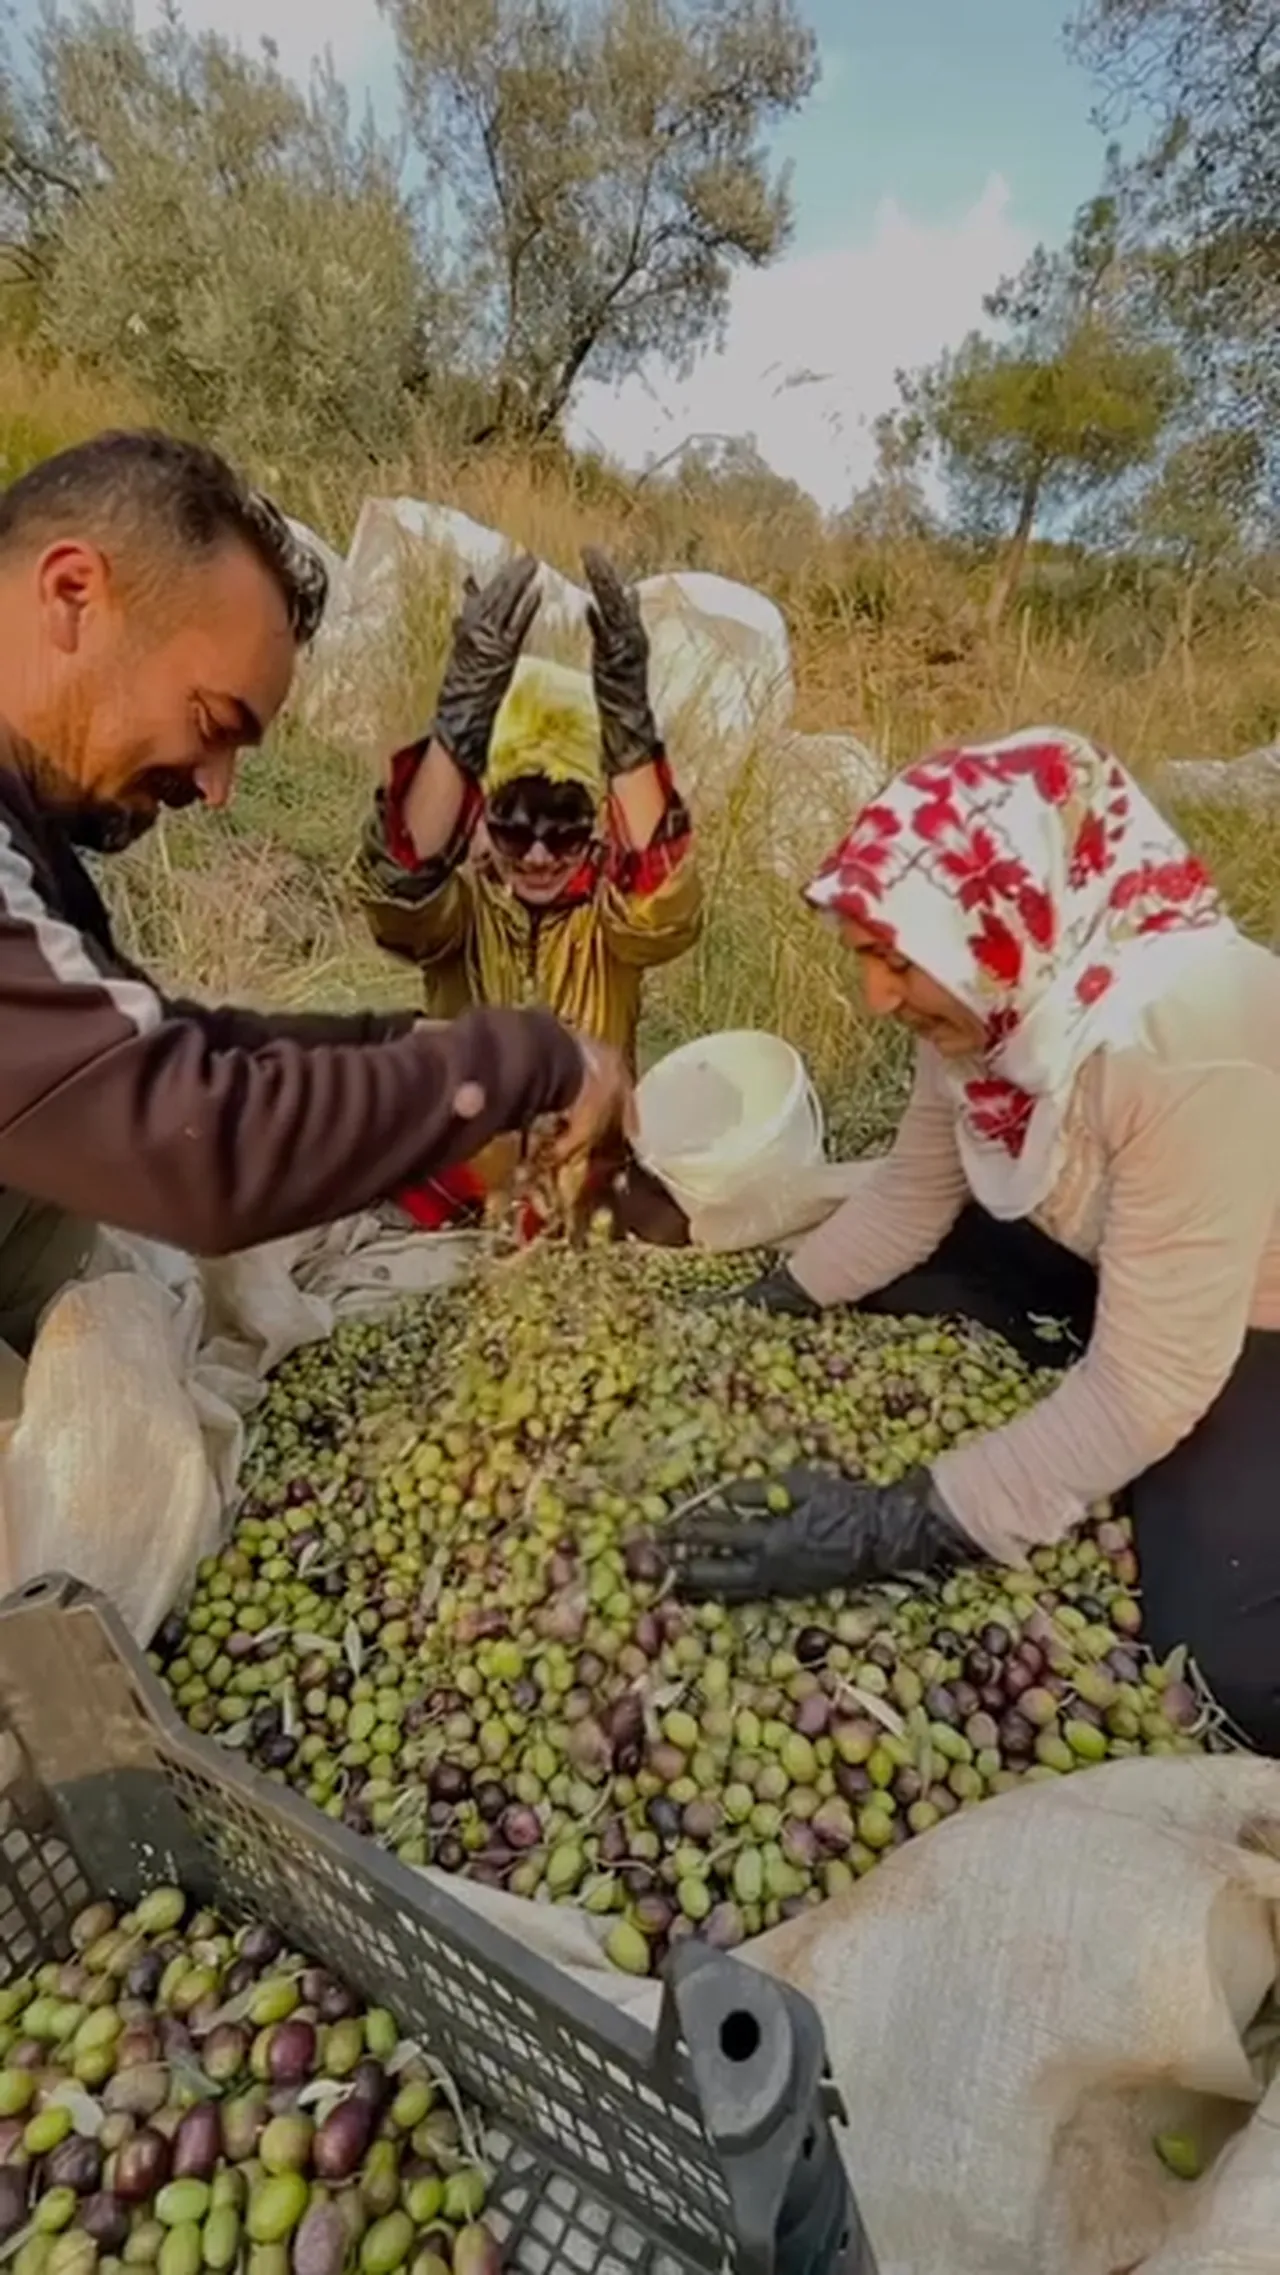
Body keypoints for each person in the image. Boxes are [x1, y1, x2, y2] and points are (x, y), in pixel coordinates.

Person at [669, 726, 1280, 1753]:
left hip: (1253, 1306)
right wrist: (767, 1303)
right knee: (906, 1285)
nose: (873, 995)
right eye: (865, 956)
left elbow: (1152, 1380)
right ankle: (1066, 1415)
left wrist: (889, 1525)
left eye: (891, 959)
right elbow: (912, 1194)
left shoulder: (1189, 1040)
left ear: (990, 925)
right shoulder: (991, 1004)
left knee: (1227, 1658)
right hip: (1124, 1254)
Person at [0, 430, 628, 1354]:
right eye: (212, 722)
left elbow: (160, 1054)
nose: (215, 790)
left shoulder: (37, 858)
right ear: (72, 596)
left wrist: (415, 1045)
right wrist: (517, 1063)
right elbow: (192, 1139)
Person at [356, 548, 701, 1237]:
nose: (538, 853)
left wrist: (628, 730)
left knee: (675, 1236)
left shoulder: (609, 917)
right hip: (459, 1175)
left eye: (564, 828)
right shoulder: (463, 908)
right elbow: (399, 893)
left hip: (590, 1178)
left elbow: (660, 912)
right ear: (482, 817)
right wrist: (460, 722)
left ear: (598, 825)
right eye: (514, 827)